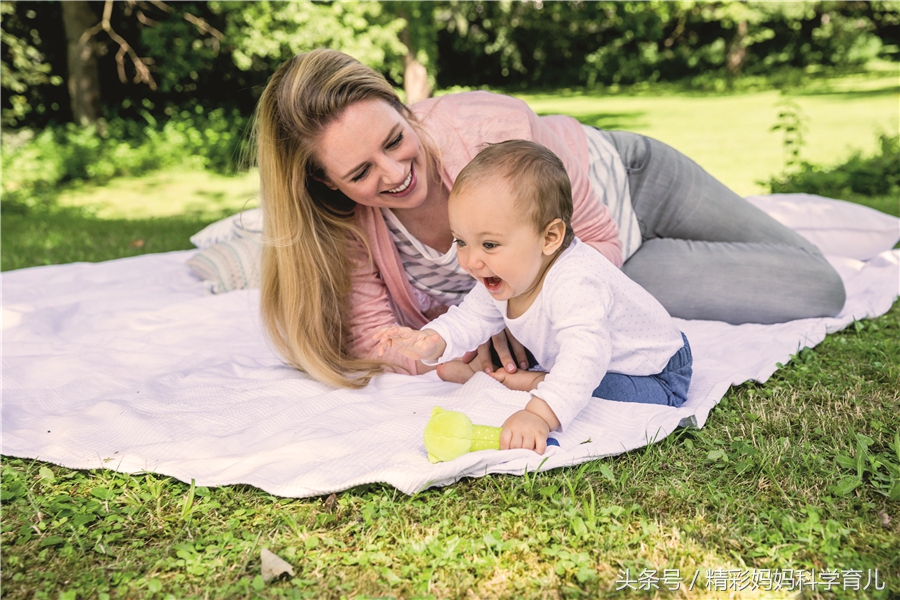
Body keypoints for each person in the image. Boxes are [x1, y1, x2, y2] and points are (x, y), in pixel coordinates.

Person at [254, 49, 845, 389]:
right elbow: (378, 337)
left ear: (406, 110)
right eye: (360, 174)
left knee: (823, 280)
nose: (394, 173)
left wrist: (525, 311)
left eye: (395, 139)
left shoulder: (488, 125)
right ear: (327, 185)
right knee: (814, 289)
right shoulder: (344, 229)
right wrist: (440, 349)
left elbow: (600, 236)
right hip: (623, 269)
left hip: (631, 185)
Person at [374, 140, 693, 453]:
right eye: (460, 242)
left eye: (489, 244)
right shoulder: (507, 274)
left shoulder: (575, 282)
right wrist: (432, 340)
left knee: (593, 390)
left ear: (550, 237)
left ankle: (529, 381)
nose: (471, 261)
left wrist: (538, 415)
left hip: (655, 372)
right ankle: (521, 376)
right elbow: (470, 317)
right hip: (591, 357)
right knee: (559, 366)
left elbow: (587, 357)